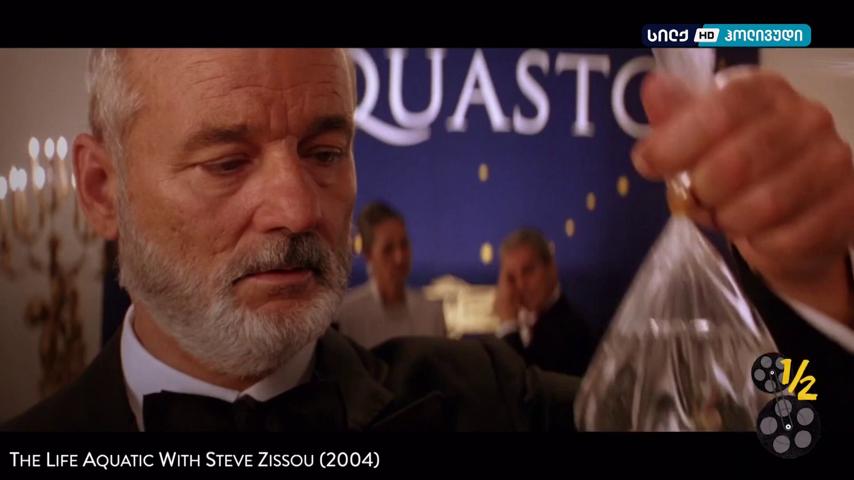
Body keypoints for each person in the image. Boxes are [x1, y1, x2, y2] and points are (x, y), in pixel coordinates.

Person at [4, 49, 852, 431]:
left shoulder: (491, 403)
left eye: (326, 152)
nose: (297, 209)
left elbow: (791, 431)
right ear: (101, 189)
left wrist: (815, 291)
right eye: (227, 162)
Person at [335, 201, 446, 348]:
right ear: (368, 254)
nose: (400, 258)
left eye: (404, 244)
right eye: (388, 249)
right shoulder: (347, 317)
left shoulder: (431, 314)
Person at [494, 228, 593, 377]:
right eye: (511, 277)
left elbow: (520, 386)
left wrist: (508, 325)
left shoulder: (572, 331)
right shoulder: (525, 322)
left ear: (551, 268)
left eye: (528, 271)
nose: (520, 285)